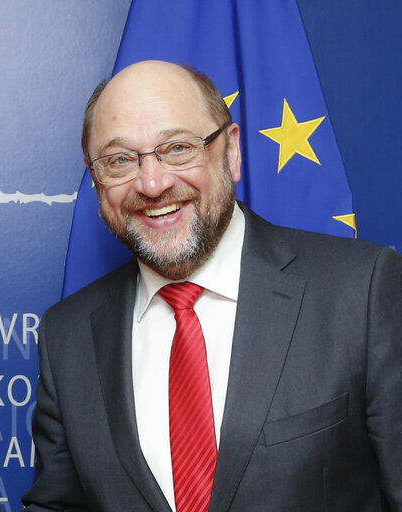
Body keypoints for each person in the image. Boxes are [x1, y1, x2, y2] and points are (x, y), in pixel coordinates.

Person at [21, 60, 402, 511]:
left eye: (178, 148)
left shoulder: (360, 290)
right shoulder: (68, 336)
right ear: (94, 175)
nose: (153, 182)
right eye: (120, 160)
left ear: (232, 151)